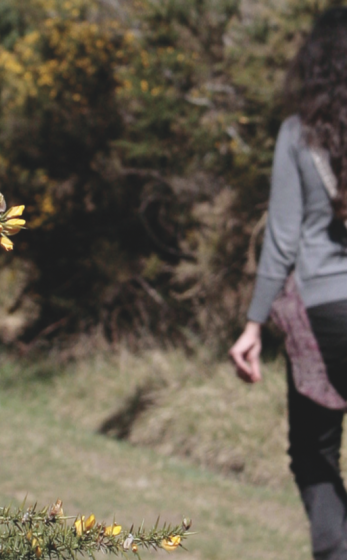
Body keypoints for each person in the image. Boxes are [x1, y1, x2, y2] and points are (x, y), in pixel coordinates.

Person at [229, 7, 347, 560]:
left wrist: (253, 324)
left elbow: (281, 240)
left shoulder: (298, 134)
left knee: (314, 454)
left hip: (325, 309)